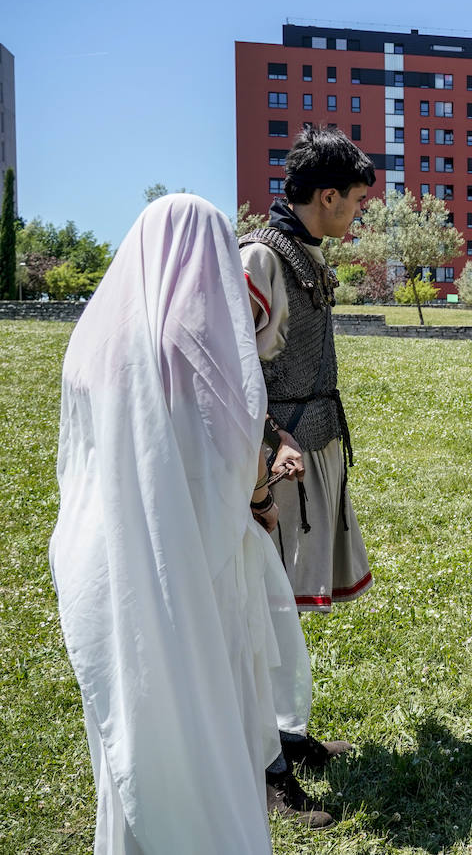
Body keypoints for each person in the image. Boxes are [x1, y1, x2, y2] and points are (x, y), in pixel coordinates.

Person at [49, 194, 286, 852]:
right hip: (194, 558)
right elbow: (241, 452)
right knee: (207, 708)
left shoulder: (95, 341)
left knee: (135, 708)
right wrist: (263, 499)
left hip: (109, 554)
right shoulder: (199, 342)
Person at [240, 124, 374, 815]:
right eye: (353, 200)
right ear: (325, 196)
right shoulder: (262, 258)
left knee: (282, 608)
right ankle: (264, 771)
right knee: (262, 611)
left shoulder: (301, 251)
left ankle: (286, 735)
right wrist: (270, 442)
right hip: (274, 462)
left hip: (307, 445)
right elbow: (229, 372)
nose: (357, 214)